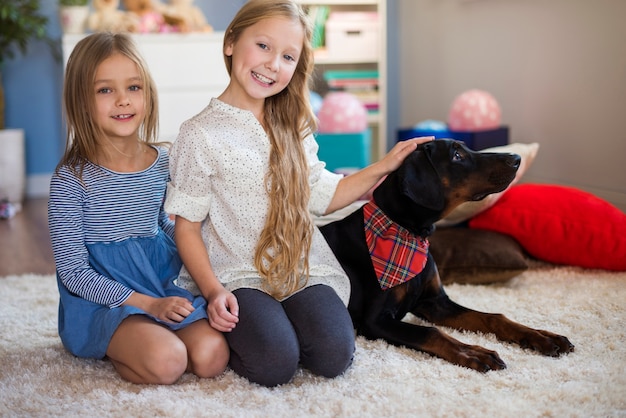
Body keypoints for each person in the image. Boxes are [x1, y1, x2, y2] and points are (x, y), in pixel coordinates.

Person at [164, 0, 432, 387]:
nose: (273, 64)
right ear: (231, 43)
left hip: (297, 269)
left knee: (334, 355)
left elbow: (325, 195)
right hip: (236, 274)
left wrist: (384, 165)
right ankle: (248, 328)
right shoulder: (198, 134)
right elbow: (186, 228)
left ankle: (281, 322)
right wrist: (213, 290)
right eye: (263, 46)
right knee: (275, 364)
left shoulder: (293, 126)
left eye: (288, 56)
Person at [48, 32, 229, 385]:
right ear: (81, 101)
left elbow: (161, 224)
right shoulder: (70, 180)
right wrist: (146, 305)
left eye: (133, 87)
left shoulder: (163, 161)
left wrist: (200, 274)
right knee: (168, 362)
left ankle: (150, 339)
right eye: (105, 90)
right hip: (105, 298)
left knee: (212, 357)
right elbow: (73, 272)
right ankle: (122, 345)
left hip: (157, 281)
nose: (122, 101)